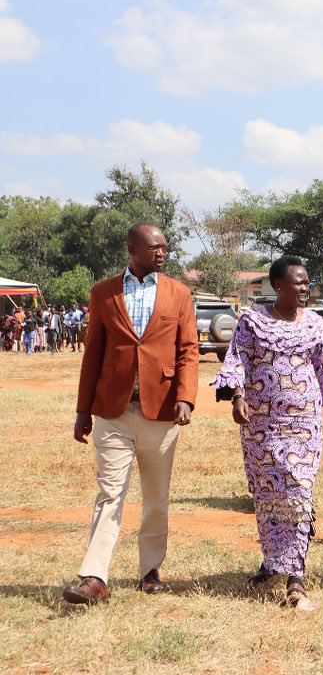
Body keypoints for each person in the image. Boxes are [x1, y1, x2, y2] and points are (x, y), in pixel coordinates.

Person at [62, 222, 199, 605]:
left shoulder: (179, 293)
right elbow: (93, 355)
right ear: (131, 249)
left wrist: (186, 398)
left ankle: (150, 569)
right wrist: (82, 410)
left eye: (165, 247)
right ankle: (95, 576)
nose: (161, 253)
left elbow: (188, 350)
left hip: (162, 411)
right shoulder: (104, 293)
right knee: (109, 493)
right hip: (113, 412)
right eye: (154, 247)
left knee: (156, 498)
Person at [213, 256, 323, 610]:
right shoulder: (253, 321)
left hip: (305, 424)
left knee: (299, 490)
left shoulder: (315, 323)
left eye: (307, 283)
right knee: (268, 496)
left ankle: (296, 576)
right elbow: (238, 358)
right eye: (298, 283)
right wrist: (237, 396)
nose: (304, 288)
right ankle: (272, 564)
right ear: (279, 286)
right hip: (261, 426)